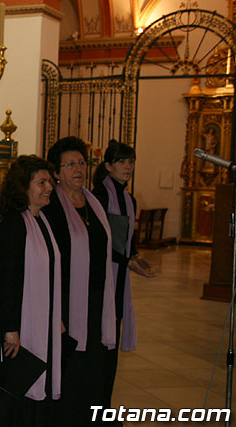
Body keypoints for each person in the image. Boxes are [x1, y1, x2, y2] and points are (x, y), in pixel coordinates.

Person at [43, 136, 116, 426]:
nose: (78, 169)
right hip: (68, 301)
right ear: (56, 172)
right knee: (73, 366)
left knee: (96, 366)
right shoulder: (51, 208)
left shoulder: (94, 203)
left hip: (97, 299)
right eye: (70, 164)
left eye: (81, 163)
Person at [0, 155, 62, 426]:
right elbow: (7, 280)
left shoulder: (42, 220)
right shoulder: (14, 225)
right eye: (41, 182)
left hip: (43, 321)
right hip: (20, 325)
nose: (49, 187)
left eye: (50, 181)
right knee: (20, 391)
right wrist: (10, 328)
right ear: (23, 187)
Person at [92, 140, 154, 414]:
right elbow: (102, 243)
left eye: (131, 161)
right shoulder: (99, 196)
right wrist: (127, 259)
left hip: (118, 281)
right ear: (108, 166)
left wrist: (136, 257)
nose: (128, 167)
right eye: (121, 161)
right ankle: (95, 404)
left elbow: (125, 243)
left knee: (112, 345)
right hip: (99, 280)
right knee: (99, 348)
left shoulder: (130, 199)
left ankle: (105, 406)